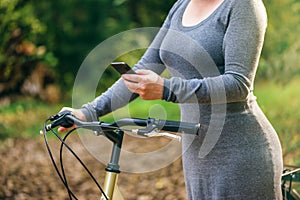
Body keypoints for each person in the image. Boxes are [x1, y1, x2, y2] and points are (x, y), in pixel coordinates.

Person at [59, 0, 283, 199]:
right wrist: (87, 112)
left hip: (240, 152)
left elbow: (238, 84)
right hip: (198, 154)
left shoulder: (242, 6)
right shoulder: (180, 7)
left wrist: (168, 89)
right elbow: (141, 70)